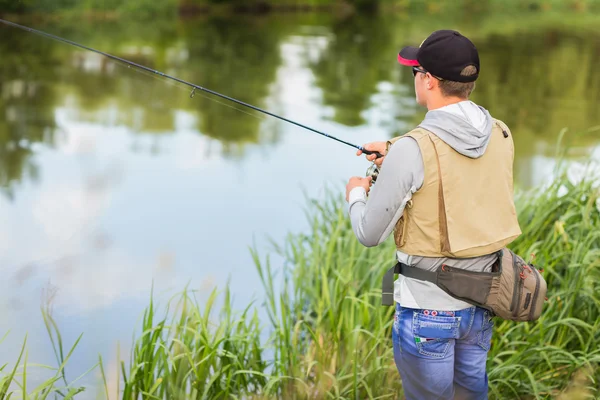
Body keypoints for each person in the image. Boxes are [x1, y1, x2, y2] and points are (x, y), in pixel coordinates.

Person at [345, 30, 522, 400]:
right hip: (481, 304)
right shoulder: (500, 133)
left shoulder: (413, 150)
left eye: (415, 72)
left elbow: (368, 233)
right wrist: (394, 150)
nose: (414, 79)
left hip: (428, 312)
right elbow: (455, 161)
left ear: (428, 80)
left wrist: (356, 193)